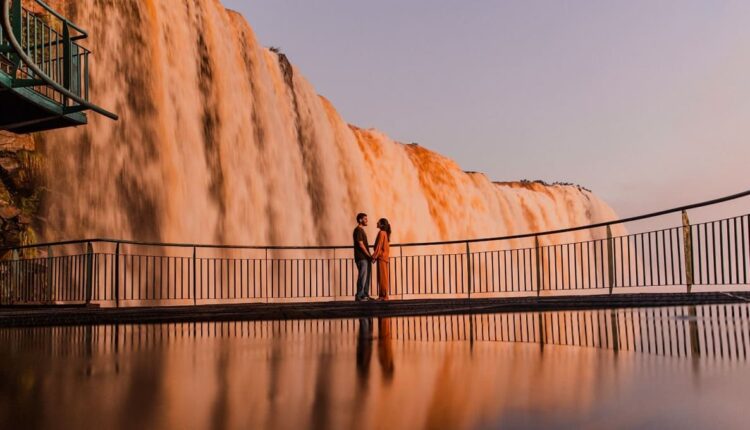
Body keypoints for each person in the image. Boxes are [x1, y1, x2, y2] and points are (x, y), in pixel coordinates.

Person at [353, 213, 373, 301]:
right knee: (362, 276)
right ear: (360, 220)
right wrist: (369, 255)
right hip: (361, 257)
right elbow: (361, 244)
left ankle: (365, 295)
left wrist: (369, 257)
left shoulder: (361, 230)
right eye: (365, 219)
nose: (367, 220)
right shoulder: (358, 230)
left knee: (366, 276)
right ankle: (359, 295)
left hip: (365, 258)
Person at [372, 218, 391, 300]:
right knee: (384, 277)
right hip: (384, 257)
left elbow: (379, 246)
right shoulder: (385, 233)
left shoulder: (381, 233)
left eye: (378, 222)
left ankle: (383, 296)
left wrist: (374, 257)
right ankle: (383, 295)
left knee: (382, 277)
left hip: (381, 257)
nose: (377, 223)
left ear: (382, 224)